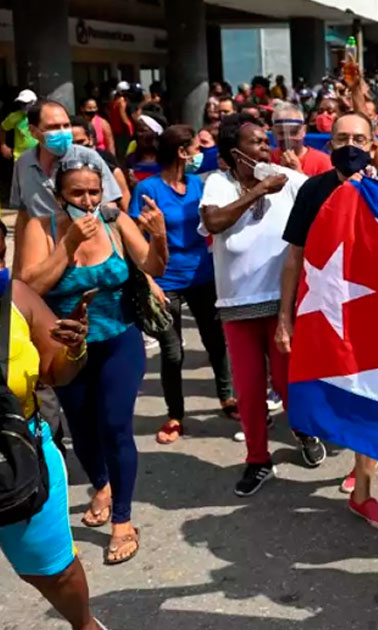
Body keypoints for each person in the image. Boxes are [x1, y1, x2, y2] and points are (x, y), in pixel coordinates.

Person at [0, 195, 102, 630]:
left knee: (56, 573)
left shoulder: (18, 299)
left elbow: (57, 373)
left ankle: (86, 625)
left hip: (24, 462)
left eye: (2, 257)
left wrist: (75, 348)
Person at [16, 154, 171, 566]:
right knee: (82, 431)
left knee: (116, 425)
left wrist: (158, 236)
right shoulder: (41, 226)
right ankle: (100, 483)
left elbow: (152, 265)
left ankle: (123, 519)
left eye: (93, 192)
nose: (86, 201)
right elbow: (28, 287)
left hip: (120, 339)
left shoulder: (115, 220)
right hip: (66, 347)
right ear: (58, 195)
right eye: (76, 193)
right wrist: (67, 244)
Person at [278, 112, 378, 526]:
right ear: (329, 143)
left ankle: (364, 485)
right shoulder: (312, 190)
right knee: (337, 393)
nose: (350, 145)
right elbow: (294, 256)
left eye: (359, 138)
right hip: (327, 311)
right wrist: (285, 318)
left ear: (373, 144)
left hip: (377, 312)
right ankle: (354, 455)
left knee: (370, 397)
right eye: (341, 138)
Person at [199, 113, 326, 497]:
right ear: (236, 153)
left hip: (281, 303)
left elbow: (325, 195)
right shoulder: (218, 184)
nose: (266, 147)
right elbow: (215, 222)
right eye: (256, 143)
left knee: (289, 383)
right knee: (250, 390)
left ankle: (303, 432)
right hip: (237, 305)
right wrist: (257, 191)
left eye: (265, 140)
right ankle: (257, 460)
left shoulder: (284, 180)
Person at [130, 125, 237, 444]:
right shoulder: (147, 189)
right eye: (195, 147)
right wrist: (148, 280)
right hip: (165, 281)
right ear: (181, 151)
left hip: (202, 276)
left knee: (216, 342)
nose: (199, 154)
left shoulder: (197, 185)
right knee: (172, 352)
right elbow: (135, 238)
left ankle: (227, 397)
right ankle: (175, 414)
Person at [9, 101, 123, 274]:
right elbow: (23, 216)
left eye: (66, 125)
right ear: (33, 131)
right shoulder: (23, 164)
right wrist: (18, 270)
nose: (62, 132)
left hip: (87, 259)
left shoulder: (89, 158)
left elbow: (112, 211)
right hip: (44, 258)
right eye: (54, 127)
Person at [71, 118, 131, 215]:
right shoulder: (58, 167)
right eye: (71, 144)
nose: (76, 148)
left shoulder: (107, 165)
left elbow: (124, 197)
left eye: (80, 142)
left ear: (90, 139)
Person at [271, 102, 333, 177]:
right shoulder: (268, 158)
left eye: (294, 132)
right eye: (281, 133)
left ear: (304, 131)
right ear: (274, 132)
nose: (288, 138)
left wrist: (298, 172)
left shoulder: (323, 162)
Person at [0, 89, 38, 161]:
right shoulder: (15, 116)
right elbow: (2, 128)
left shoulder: (42, 115)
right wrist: (3, 145)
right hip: (21, 158)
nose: (24, 106)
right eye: (22, 103)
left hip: (40, 157)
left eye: (27, 103)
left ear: (34, 102)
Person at [109, 82, 134, 158]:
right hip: (122, 133)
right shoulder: (121, 101)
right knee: (126, 155)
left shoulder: (114, 101)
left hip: (116, 132)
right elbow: (123, 118)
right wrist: (130, 129)